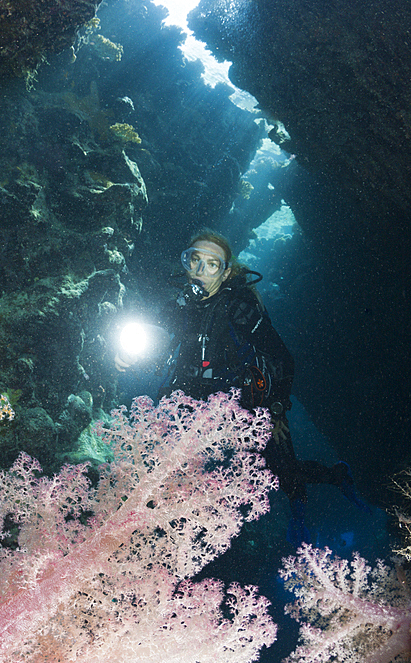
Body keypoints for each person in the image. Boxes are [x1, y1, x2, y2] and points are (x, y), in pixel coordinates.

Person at [116, 231, 366, 544]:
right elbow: (150, 338)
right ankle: (146, 529)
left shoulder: (239, 309)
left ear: (226, 273)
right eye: (194, 260)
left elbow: (283, 357)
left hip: (242, 399)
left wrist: (277, 409)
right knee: (159, 460)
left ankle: (333, 480)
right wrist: (126, 356)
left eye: (212, 265)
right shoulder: (178, 306)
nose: (200, 270)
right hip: (191, 393)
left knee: (281, 471)